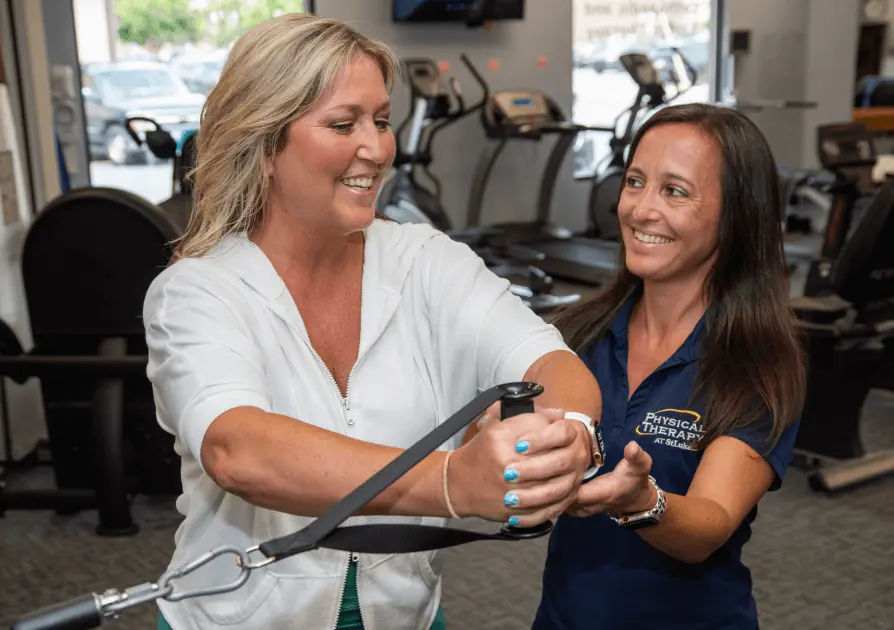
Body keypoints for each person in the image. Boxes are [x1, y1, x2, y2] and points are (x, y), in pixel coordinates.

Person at [143, 14, 629, 630]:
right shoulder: (196, 292)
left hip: (406, 615)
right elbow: (239, 450)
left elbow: (548, 361)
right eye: (343, 124)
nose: (376, 148)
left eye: (381, 119)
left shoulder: (427, 262)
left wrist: (564, 441)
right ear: (264, 146)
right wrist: (453, 481)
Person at [532, 103, 808, 630]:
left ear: (736, 216)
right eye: (635, 182)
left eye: (675, 191)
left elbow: (708, 525)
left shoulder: (760, 362)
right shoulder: (576, 334)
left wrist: (643, 500)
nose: (640, 210)